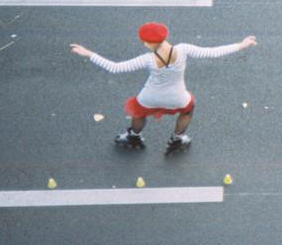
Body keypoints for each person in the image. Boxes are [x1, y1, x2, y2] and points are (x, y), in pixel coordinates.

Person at [70, 23, 256, 151]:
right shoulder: (183, 50)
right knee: (187, 111)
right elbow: (212, 52)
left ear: (149, 43)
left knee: (139, 113)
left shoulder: (148, 59)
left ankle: (133, 135)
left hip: (150, 97)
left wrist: (89, 54)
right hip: (177, 96)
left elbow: (116, 68)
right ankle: (177, 138)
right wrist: (241, 45)